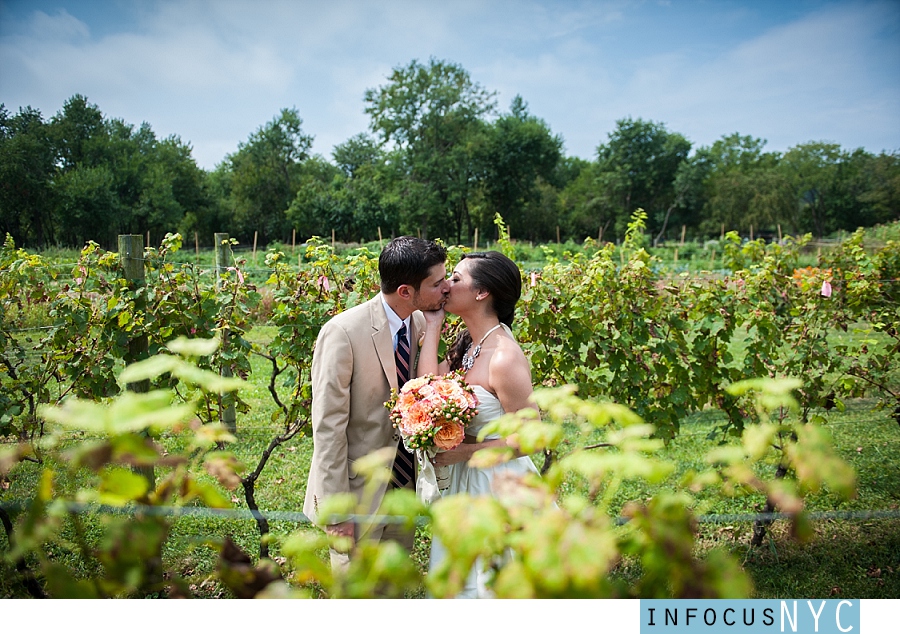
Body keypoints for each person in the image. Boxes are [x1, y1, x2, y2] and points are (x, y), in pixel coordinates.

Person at [303, 236, 449, 572]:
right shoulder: (342, 332)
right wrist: (337, 511)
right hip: (356, 495)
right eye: (437, 283)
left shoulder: (418, 323)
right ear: (405, 291)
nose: (445, 289)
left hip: (402, 488)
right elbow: (328, 428)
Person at [416, 250, 540, 598]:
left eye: (455, 279)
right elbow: (428, 389)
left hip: (498, 483)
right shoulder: (468, 345)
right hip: (465, 481)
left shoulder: (504, 357)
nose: (446, 286)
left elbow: (531, 439)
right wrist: (435, 325)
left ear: (482, 293)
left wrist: (466, 452)